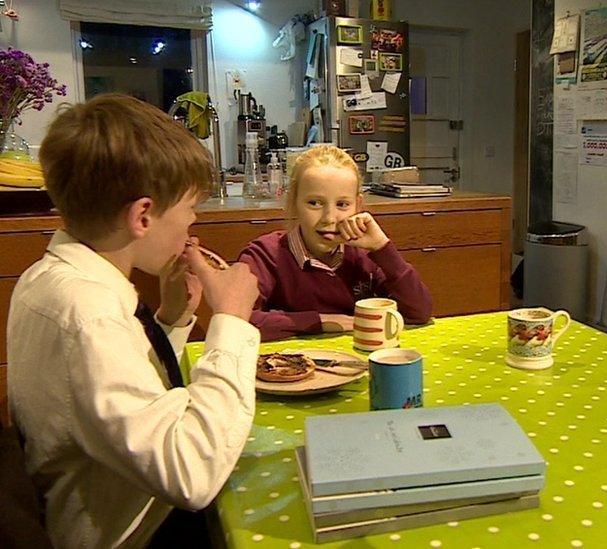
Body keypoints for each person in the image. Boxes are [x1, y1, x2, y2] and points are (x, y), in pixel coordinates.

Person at [6, 93, 261, 547]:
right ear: (143, 215)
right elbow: (191, 475)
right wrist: (231, 321)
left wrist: (171, 322)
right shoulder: (88, 312)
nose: (193, 223)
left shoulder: (50, 276)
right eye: (189, 209)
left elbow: (116, 403)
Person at [238, 145, 433, 341]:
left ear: (358, 205)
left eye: (342, 204)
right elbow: (237, 320)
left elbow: (419, 313)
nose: (329, 218)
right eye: (314, 203)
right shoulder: (265, 254)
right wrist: (321, 322)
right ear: (294, 203)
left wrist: (383, 247)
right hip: (291, 365)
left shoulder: (367, 254)